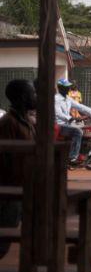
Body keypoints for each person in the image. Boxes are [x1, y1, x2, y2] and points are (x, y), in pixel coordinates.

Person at [0, 79, 36, 260]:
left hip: (26, 190)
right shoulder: (8, 123)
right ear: (22, 97)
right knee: (3, 242)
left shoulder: (26, 122)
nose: (35, 97)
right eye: (32, 93)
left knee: (37, 238)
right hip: (11, 193)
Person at [54, 77, 91, 165]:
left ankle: (83, 153)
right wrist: (71, 118)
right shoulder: (56, 99)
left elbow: (81, 107)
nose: (68, 88)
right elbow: (58, 113)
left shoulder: (68, 98)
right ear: (60, 88)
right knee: (77, 131)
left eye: (68, 87)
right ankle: (72, 157)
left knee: (88, 129)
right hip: (59, 125)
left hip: (69, 123)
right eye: (66, 87)